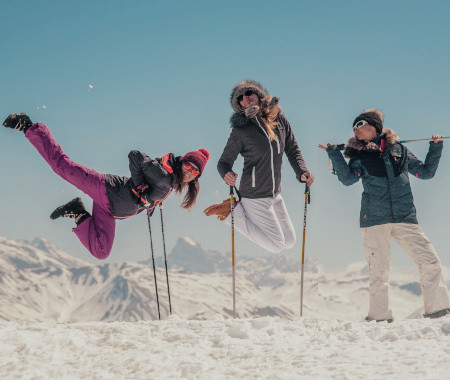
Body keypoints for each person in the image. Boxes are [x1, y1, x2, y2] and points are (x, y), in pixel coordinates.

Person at [3, 113, 209, 260]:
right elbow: (135, 155)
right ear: (183, 161)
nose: (190, 170)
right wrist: (139, 188)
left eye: (195, 171)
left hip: (109, 211)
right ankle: (28, 126)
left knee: (101, 252)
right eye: (189, 164)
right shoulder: (164, 174)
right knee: (62, 167)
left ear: (196, 178)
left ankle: (77, 212)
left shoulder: (170, 182)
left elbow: (148, 191)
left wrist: (149, 202)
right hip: (104, 188)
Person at [319, 108, 450, 320]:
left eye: (359, 125)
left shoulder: (400, 150)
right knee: (379, 273)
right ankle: (379, 318)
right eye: (353, 127)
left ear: (374, 127)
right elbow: (347, 179)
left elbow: (426, 173)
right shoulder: (359, 155)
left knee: (430, 261)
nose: (355, 129)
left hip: (405, 217)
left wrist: (435, 148)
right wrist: (334, 155)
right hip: (374, 220)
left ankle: (438, 312)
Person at [204, 80, 314, 253]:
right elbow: (223, 163)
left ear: (259, 95)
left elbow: (292, 149)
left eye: (248, 93)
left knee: (290, 241)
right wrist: (226, 173)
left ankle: (236, 212)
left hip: (275, 194)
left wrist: (302, 171)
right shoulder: (241, 130)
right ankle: (232, 214)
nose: (245, 98)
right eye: (240, 97)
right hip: (254, 196)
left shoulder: (279, 120)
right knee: (277, 246)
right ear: (239, 105)